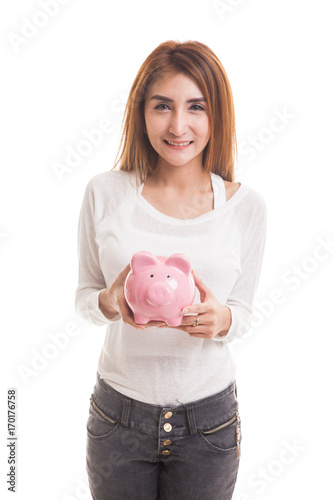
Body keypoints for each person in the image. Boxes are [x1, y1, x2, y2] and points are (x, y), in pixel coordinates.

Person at [75, 40, 267, 500]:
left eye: (196, 107)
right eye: (163, 106)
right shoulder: (104, 194)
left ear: (216, 115)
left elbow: (243, 310)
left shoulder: (246, 207)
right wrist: (107, 302)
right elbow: (84, 297)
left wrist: (223, 320)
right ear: (141, 112)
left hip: (208, 423)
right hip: (118, 417)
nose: (178, 125)